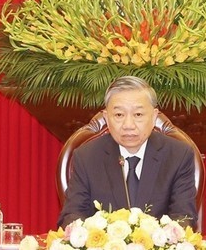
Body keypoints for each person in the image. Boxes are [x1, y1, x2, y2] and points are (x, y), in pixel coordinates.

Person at [57, 76, 197, 228]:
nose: (128, 125)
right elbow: (72, 215)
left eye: (138, 115)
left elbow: (184, 218)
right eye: (119, 115)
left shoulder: (178, 156)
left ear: (154, 116)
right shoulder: (87, 157)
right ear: (107, 118)